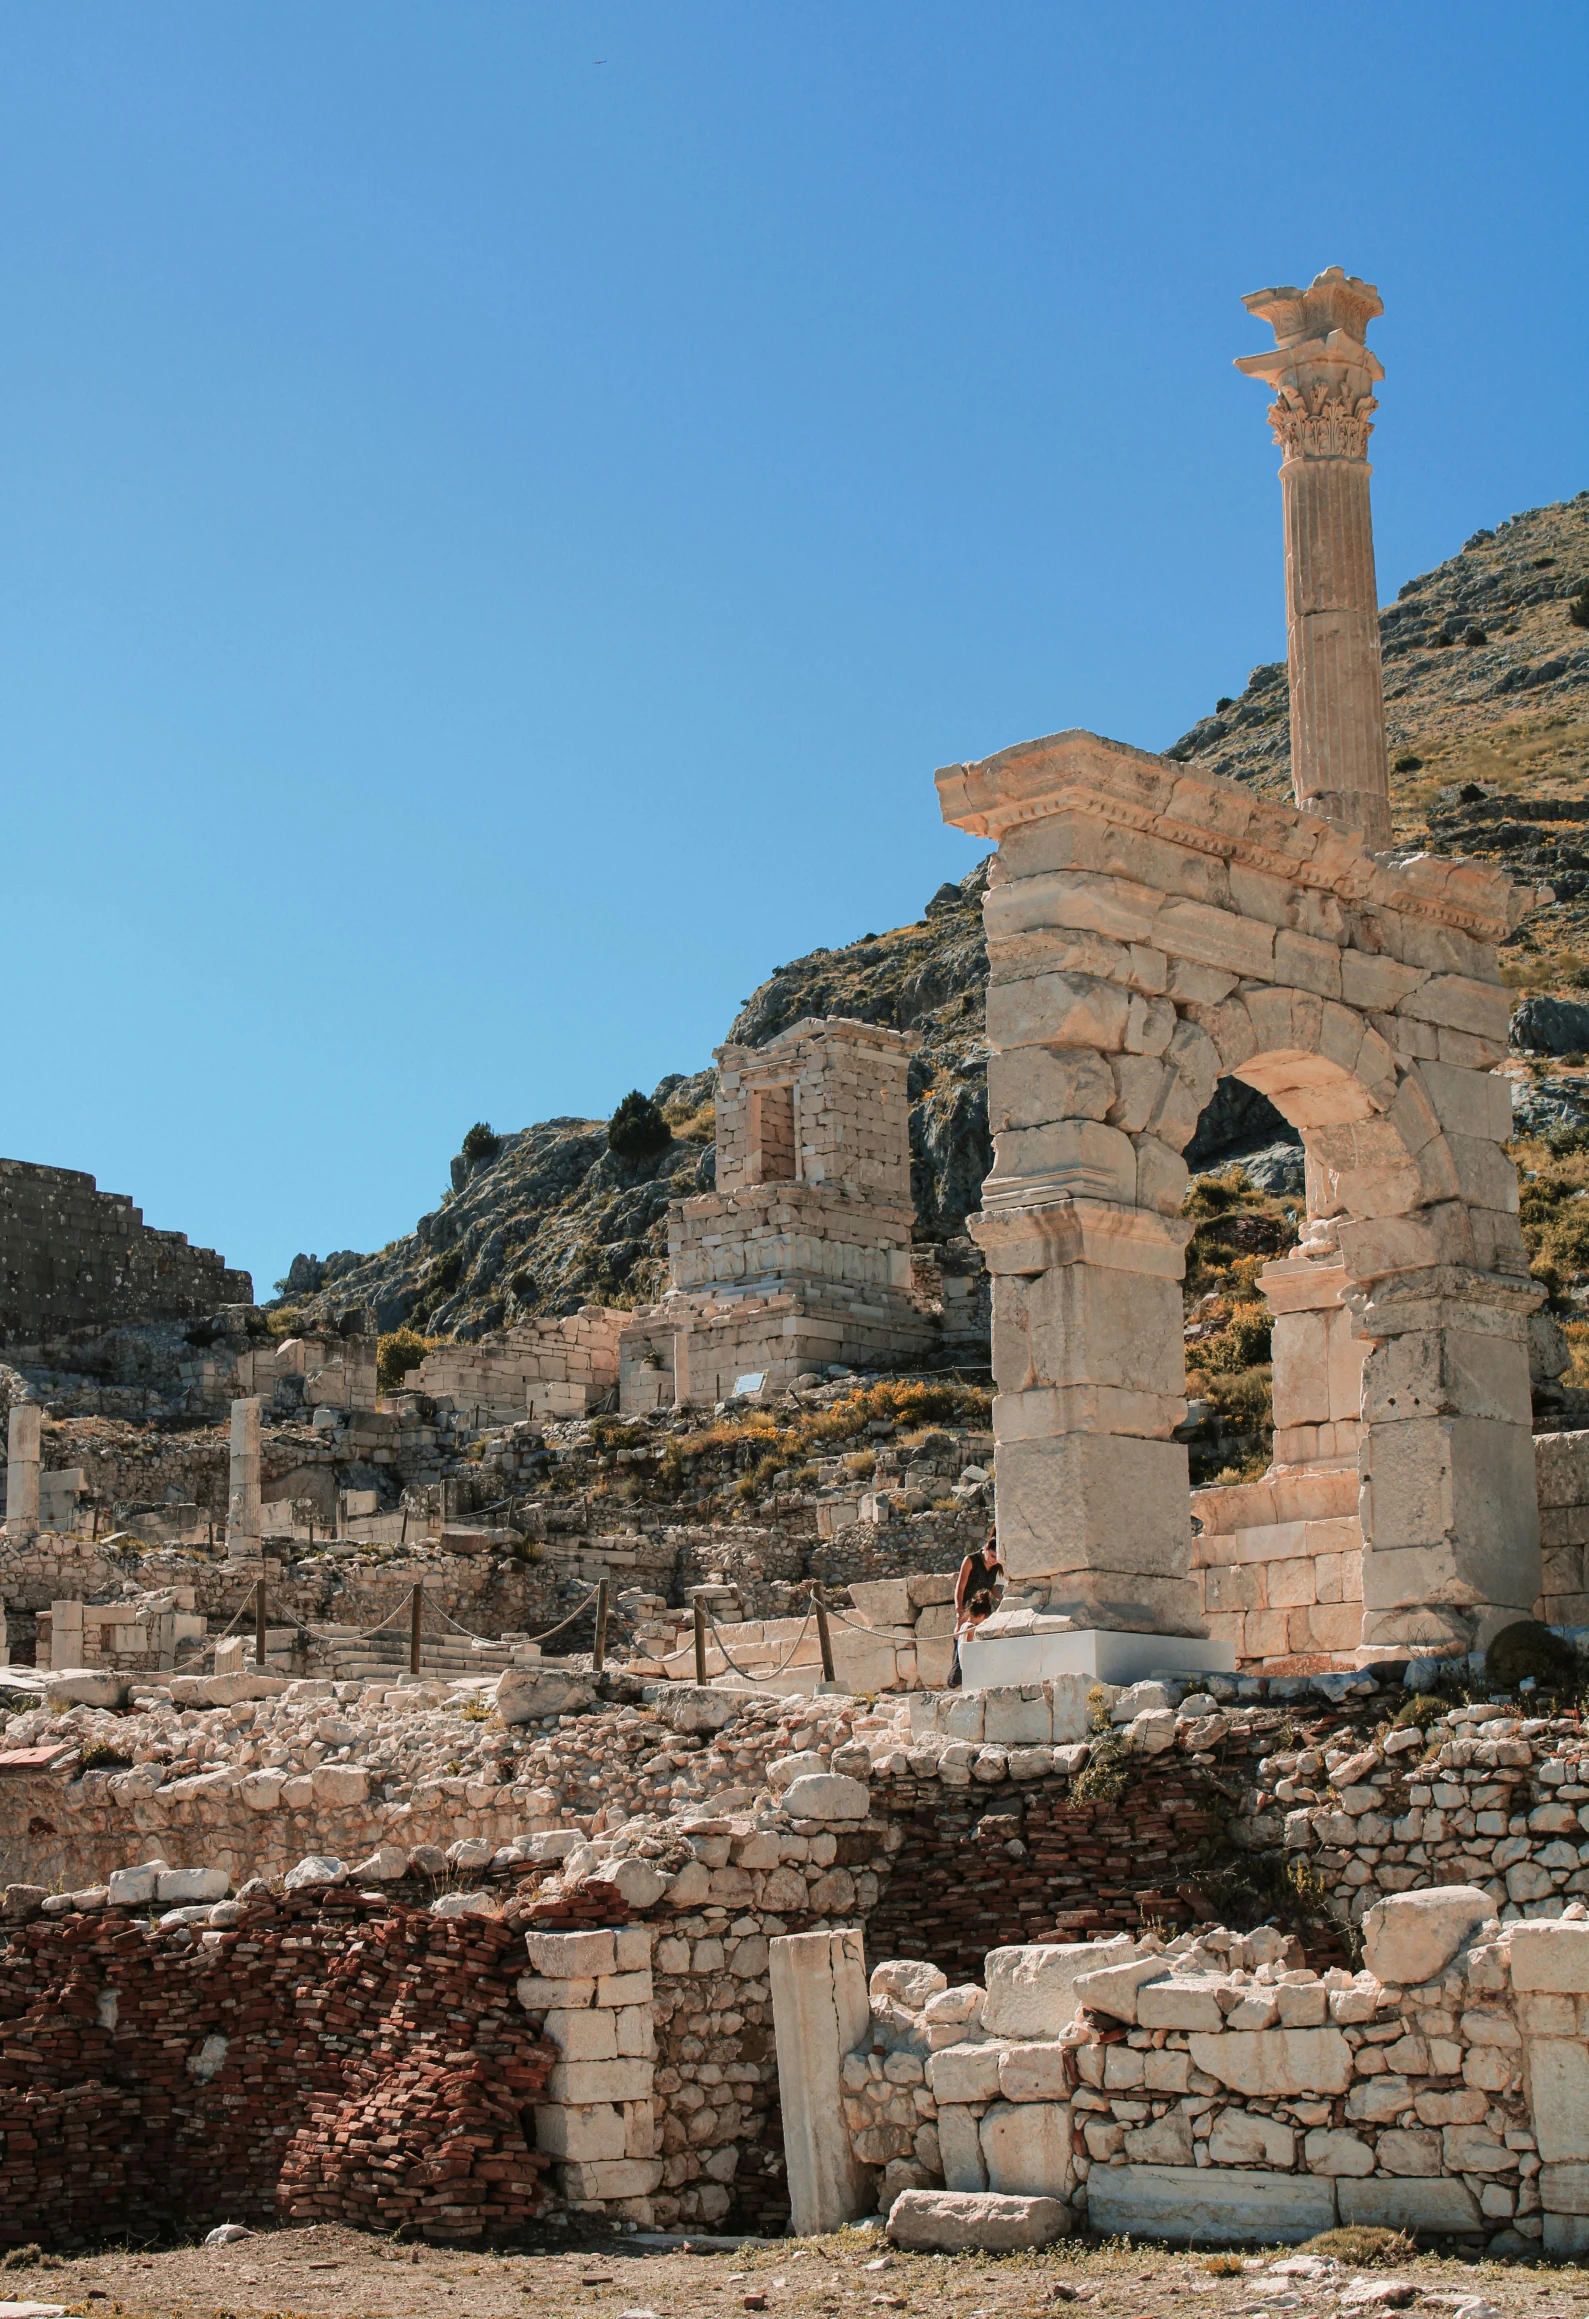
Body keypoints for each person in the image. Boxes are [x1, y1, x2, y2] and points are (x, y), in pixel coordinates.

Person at [948, 1531, 1003, 1688]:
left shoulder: (995, 1566)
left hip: (984, 1609)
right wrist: (959, 1610)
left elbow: (989, 1584)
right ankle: (958, 1680)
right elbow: (960, 1586)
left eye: (997, 1558)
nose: (994, 1561)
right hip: (969, 1608)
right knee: (962, 1641)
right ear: (986, 1548)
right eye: (992, 1556)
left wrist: (1000, 1597)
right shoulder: (971, 1560)